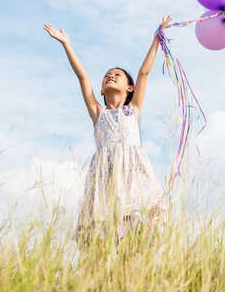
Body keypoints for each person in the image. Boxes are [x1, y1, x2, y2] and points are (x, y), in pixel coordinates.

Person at [43, 16, 172, 247]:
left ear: (129, 88)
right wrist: (66, 44)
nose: (110, 76)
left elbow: (143, 73)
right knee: (106, 233)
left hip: (132, 176)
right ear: (102, 90)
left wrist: (156, 41)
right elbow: (82, 76)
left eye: (117, 75)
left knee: (134, 230)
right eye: (106, 76)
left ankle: (133, 266)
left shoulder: (133, 109)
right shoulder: (98, 113)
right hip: (105, 177)